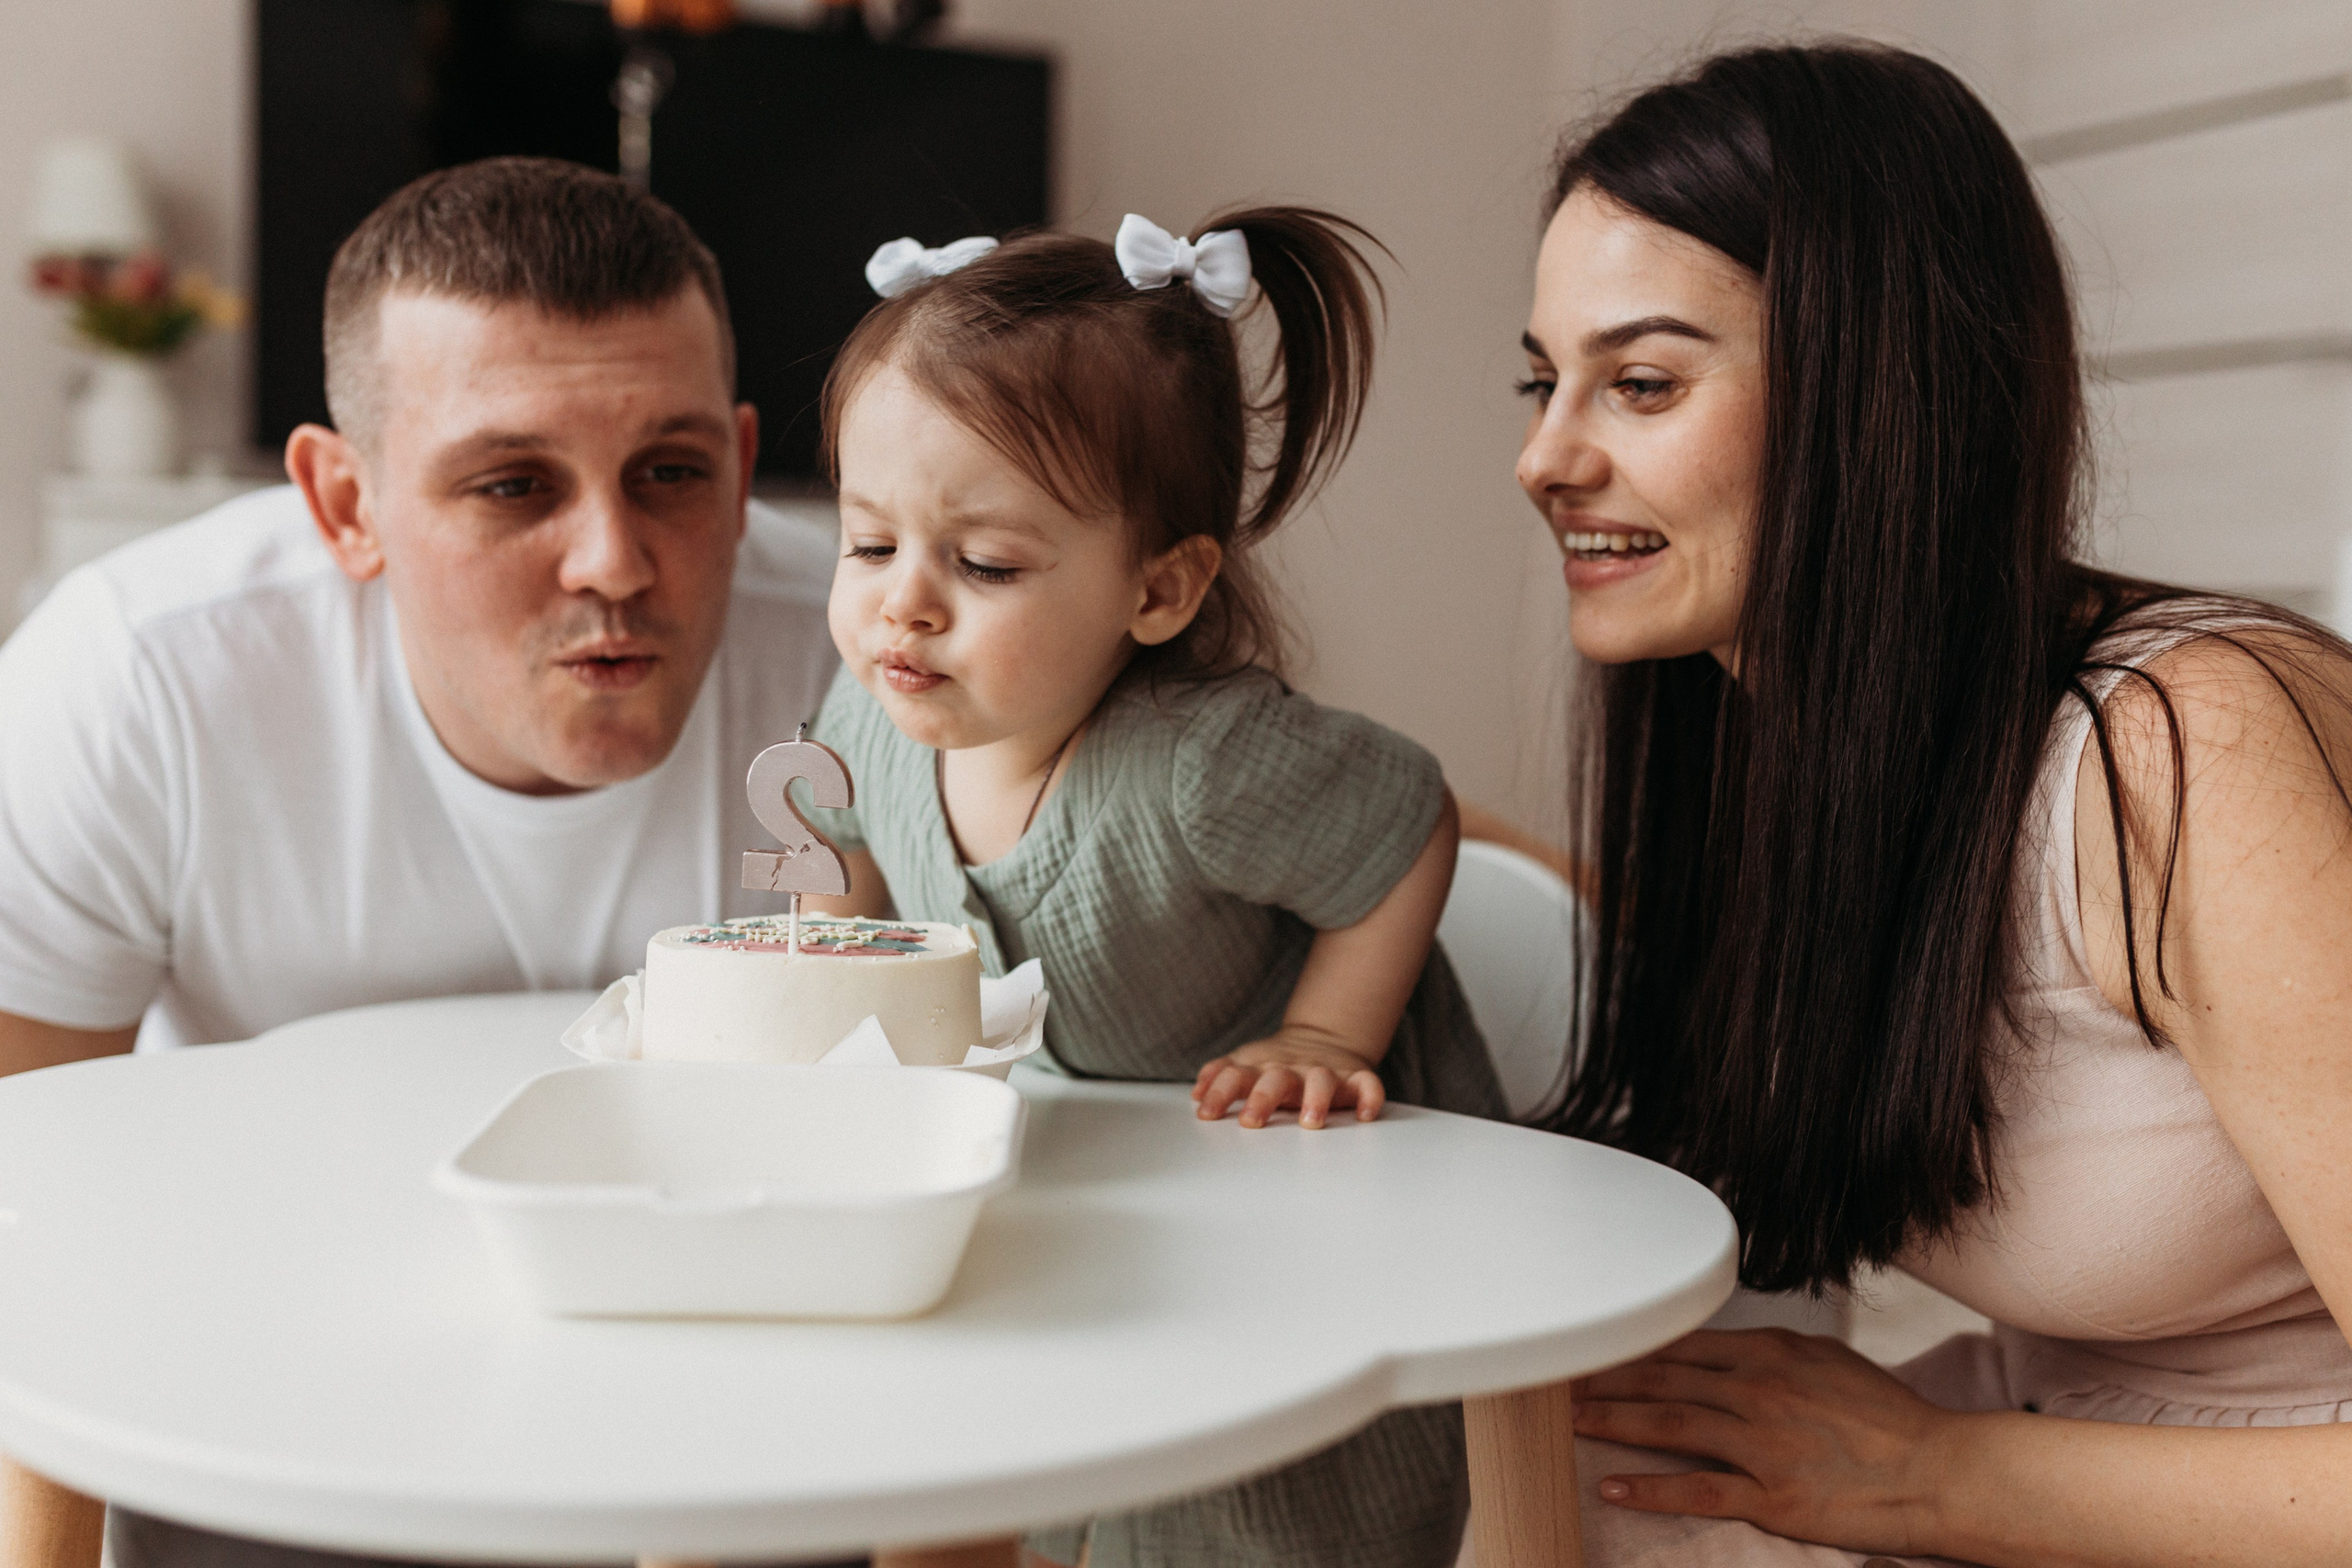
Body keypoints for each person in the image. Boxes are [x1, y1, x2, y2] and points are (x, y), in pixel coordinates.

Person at [1491, 42, 2352, 1565]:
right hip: (2072, 1429)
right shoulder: (1815, 738)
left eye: (1639, 382)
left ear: (1876, 390)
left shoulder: (2183, 748)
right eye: (1542, 380)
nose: (1544, 457)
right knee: (1504, 1476)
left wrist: (1919, 1481)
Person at [0, 158, 839, 1567]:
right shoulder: (135, 682)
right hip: (260, 1407)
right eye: (513, 484)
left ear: (747, 470)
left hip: (753, 1407)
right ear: (347, 506)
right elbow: (25, 1204)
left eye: (672, 474)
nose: (615, 561)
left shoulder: (866, 665)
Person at [800, 212, 1507, 1567]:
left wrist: (1323, 1037)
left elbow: (1407, 819)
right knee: (1063, 1467)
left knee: (1257, 1511)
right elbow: (841, 838)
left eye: (985, 563)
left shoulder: (1201, 766)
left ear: (1162, 588)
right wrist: (838, 954)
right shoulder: (870, 708)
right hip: (1108, 1200)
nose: (905, 607)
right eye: (868, 544)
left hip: (1298, 1218)